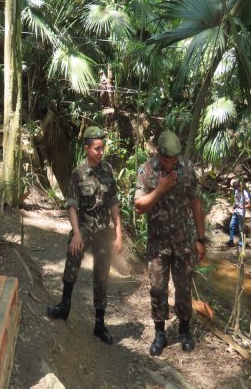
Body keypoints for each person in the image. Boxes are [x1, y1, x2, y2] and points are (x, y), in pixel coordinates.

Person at [46, 126, 123, 344]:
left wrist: (119, 234)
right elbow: (72, 205)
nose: (101, 152)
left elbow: (114, 203)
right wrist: (77, 234)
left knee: (102, 273)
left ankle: (99, 323)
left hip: (103, 231)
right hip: (85, 227)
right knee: (73, 256)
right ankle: (64, 306)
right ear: (87, 148)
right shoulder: (78, 174)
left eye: (103, 148)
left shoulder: (108, 170)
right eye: (97, 148)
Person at [134, 131, 206, 357]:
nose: (170, 164)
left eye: (173, 161)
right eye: (166, 161)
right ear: (158, 153)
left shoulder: (186, 169)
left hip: (183, 243)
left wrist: (201, 239)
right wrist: (160, 188)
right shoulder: (147, 171)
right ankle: (160, 333)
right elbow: (139, 206)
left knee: (183, 288)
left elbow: (196, 203)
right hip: (158, 245)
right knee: (158, 289)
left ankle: (185, 330)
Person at [227, 179, 251, 247]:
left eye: (237, 187)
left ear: (239, 186)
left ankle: (241, 242)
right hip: (236, 211)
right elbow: (236, 199)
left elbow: (249, 204)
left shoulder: (245, 193)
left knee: (241, 228)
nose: (236, 189)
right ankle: (231, 240)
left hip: (241, 213)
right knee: (231, 225)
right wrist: (234, 205)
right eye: (235, 188)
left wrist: (242, 207)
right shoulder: (236, 191)